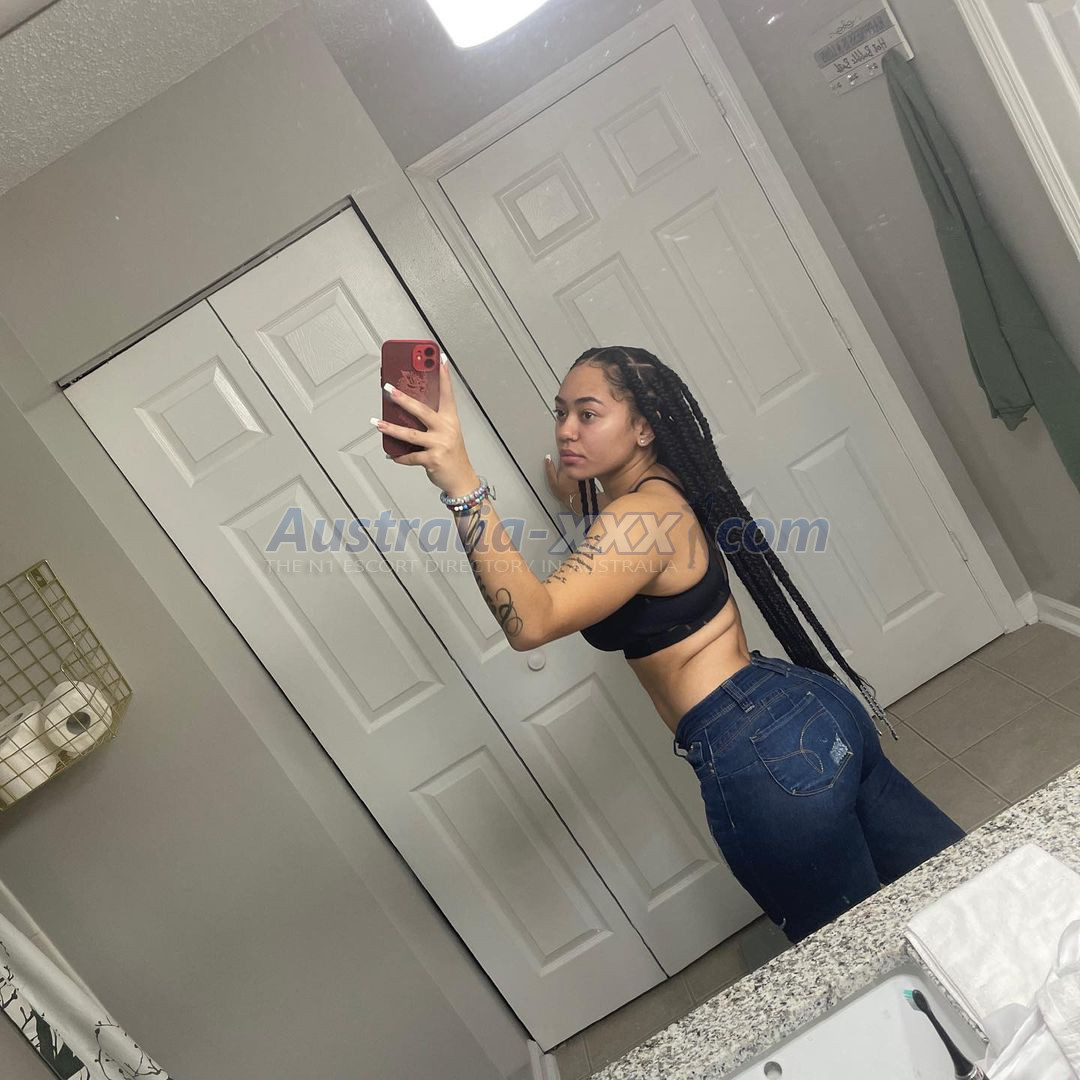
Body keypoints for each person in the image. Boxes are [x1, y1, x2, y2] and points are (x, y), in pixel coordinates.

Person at [373, 344, 965, 944]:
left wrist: (462, 484)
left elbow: (531, 622)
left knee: (858, 952)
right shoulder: (667, 488)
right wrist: (577, 492)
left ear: (645, 428)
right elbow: (626, 546)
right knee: (958, 890)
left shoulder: (639, 520)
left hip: (762, 752)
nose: (566, 430)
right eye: (561, 413)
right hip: (805, 707)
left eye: (588, 414)